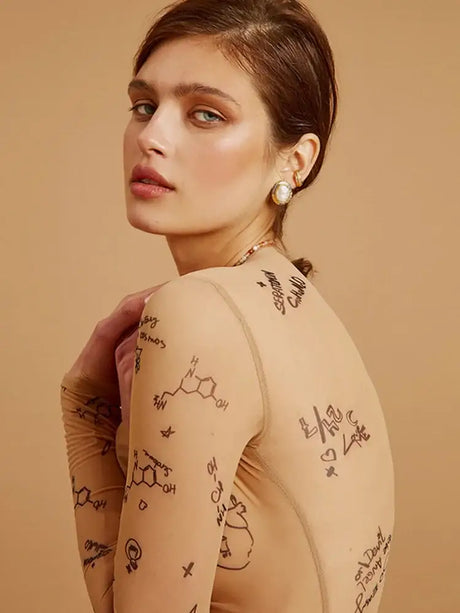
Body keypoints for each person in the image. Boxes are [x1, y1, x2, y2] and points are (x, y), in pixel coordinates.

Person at [60, 1, 395, 611]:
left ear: (295, 160)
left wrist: (85, 408)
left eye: (206, 115)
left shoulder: (198, 312)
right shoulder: (302, 307)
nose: (152, 137)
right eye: (144, 105)